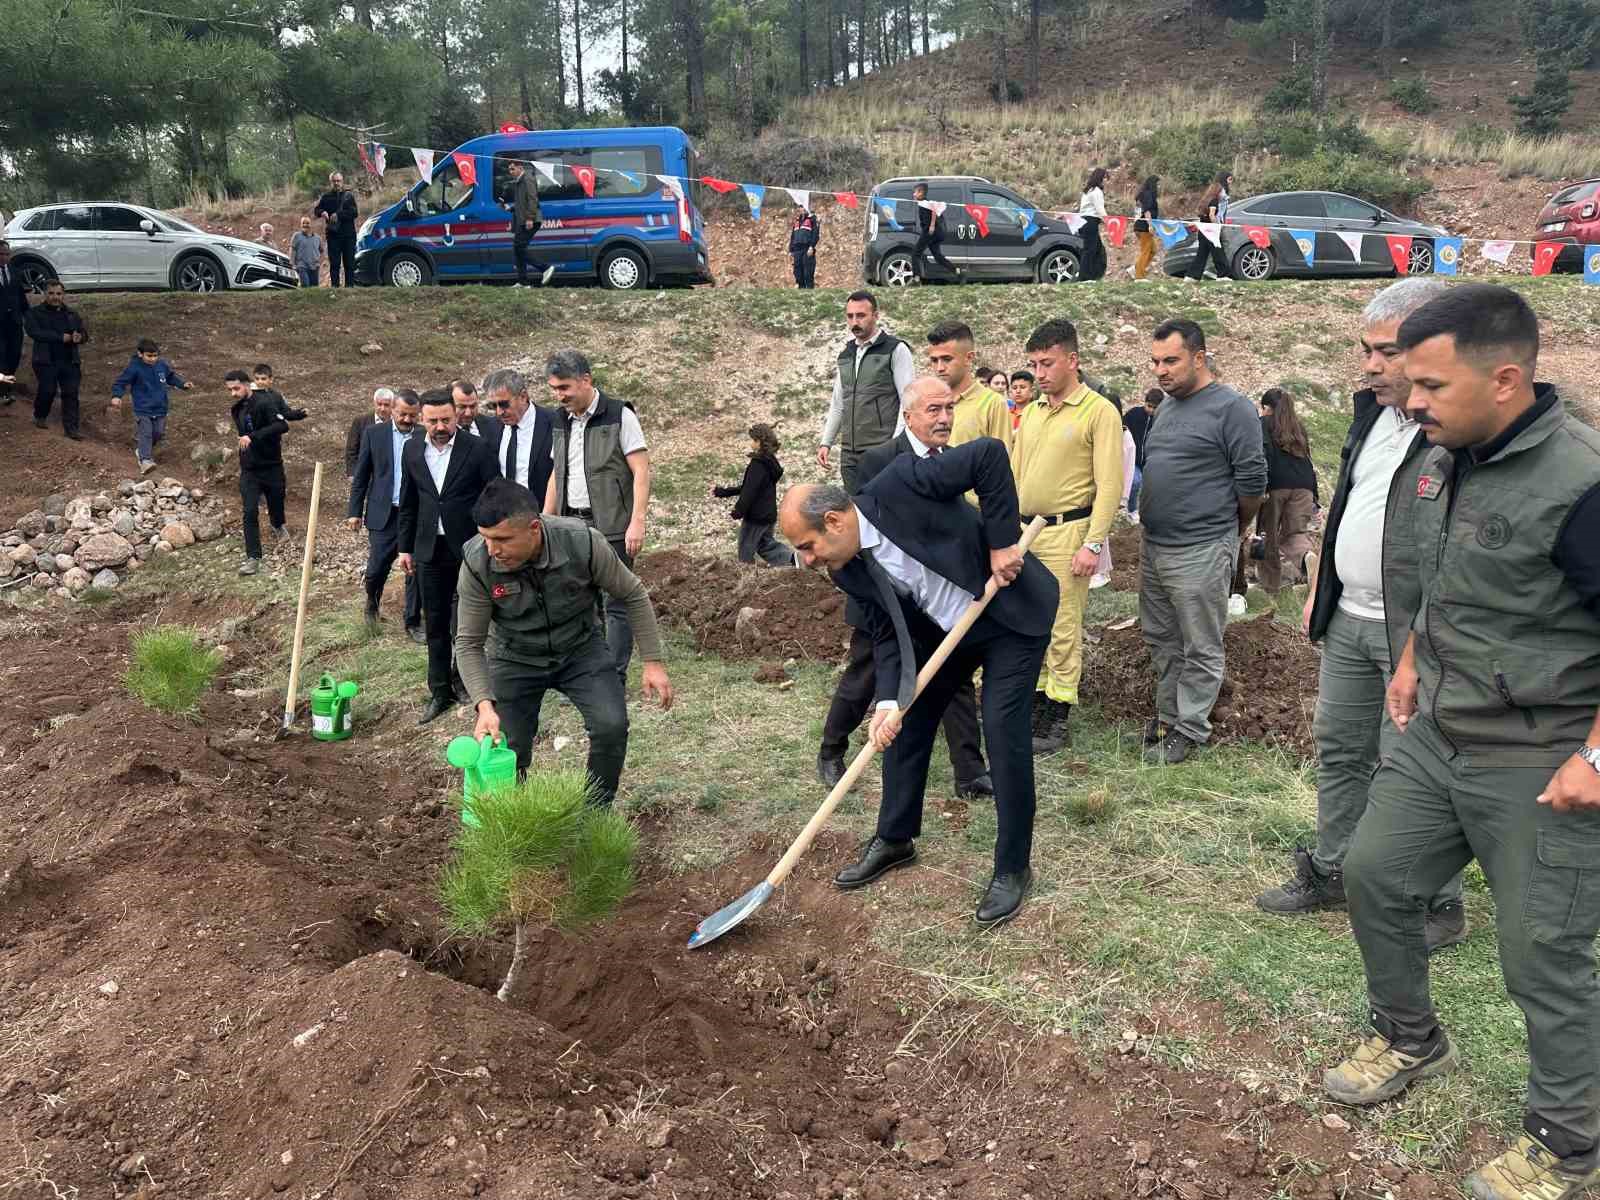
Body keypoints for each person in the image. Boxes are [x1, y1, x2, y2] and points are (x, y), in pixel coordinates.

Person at [1323, 284, 1600, 1200]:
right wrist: (1407, 660)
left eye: (1432, 386)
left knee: (1542, 956)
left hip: (1540, 752)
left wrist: (1594, 758)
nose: (1411, 401)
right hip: (1439, 728)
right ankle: (1409, 1036)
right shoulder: (1446, 457)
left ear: (1507, 379)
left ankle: (1566, 1144)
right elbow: (1444, 579)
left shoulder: (1580, 484)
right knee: (1373, 873)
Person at [1255, 278, 1466, 949]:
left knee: (1412, 768)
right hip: (1349, 618)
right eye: (1365, 349)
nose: (1369, 365)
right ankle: (1335, 870)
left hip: (1417, 633)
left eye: (1386, 352)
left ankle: (1434, 902)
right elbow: (1347, 500)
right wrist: (1324, 578)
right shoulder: (1372, 415)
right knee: (1342, 750)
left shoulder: (1460, 433)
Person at [778, 440, 1057, 927]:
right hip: (947, 632)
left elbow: (988, 456)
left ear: (836, 522)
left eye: (807, 546)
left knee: (1001, 729)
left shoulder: (902, 484)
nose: (807, 560)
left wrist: (1000, 543)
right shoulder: (848, 569)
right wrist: (889, 701)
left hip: (1009, 614)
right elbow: (888, 632)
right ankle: (895, 838)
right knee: (907, 722)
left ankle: (1013, 867)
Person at [457, 479, 675, 805]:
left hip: (580, 649)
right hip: (514, 656)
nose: (493, 549)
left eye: (502, 539)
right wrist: (484, 705)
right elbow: (469, 642)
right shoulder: (478, 562)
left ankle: (596, 811)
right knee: (508, 746)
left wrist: (653, 662)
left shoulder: (581, 543)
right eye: (486, 538)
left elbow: (632, 593)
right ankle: (515, 817)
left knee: (611, 726)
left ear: (534, 528)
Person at [832, 379, 994, 799]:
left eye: (949, 410)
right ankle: (832, 747)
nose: (944, 419)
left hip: (938, 599)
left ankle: (969, 773)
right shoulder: (880, 460)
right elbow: (862, 533)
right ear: (909, 416)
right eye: (933, 411)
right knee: (866, 676)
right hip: (887, 598)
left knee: (953, 677)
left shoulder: (953, 461)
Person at [1138, 319, 1266, 763]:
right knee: (1161, 636)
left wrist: (1232, 529)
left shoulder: (1232, 408)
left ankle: (1191, 728)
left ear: (1199, 356)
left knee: (1200, 641)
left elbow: (1252, 481)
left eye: (1170, 360)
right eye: (1155, 361)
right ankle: (1169, 715)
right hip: (1156, 545)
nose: (1160, 370)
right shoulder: (1169, 408)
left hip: (1202, 546)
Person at [1012, 319, 1124, 753]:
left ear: (1072, 360)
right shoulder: (1034, 412)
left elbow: (1110, 484)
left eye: (1047, 363)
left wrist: (1093, 543)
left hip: (1067, 533)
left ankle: (1058, 714)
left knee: (1062, 625)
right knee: (1029, 622)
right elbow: (1017, 470)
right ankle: (1037, 700)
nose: (1039, 374)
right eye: (1034, 365)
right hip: (1027, 532)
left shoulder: (1098, 411)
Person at [543, 349, 651, 686]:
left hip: (612, 525)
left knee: (616, 601)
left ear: (586, 381)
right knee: (576, 602)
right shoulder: (559, 419)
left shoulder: (620, 415)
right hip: (570, 525)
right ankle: (585, 674)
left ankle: (613, 677)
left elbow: (641, 470)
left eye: (564, 387)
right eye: (555, 389)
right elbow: (555, 472)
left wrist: (637, 520)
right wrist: (546, 518)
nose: (559, 395)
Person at [398, 389, 502, 724]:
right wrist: (405, 547)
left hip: (469, 547)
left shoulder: (479, 449)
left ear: (456, 415)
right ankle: (439, 689)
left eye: (446, 419)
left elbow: (494, 495)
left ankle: (465, 681)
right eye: (433, 421)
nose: (440, 426)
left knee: (468, 623)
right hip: (430, 549)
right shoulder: (413, 449)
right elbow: (409, 501)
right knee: (436, 623)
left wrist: (493, 540)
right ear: (421, 420)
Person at [817, 291, 914, 492]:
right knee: (856, 514)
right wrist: (826, 442)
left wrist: (895, 445)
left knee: (884, 511)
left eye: (861, 315)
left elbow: (908, 401)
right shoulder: (846, 354)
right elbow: (838, 403)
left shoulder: (895, 350)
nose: (855, 322)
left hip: (881, 450)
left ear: (875, 315)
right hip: (849, 454)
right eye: (850, 316)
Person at [346, 389, 425, 636]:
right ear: (392, 410)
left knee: (415, 567)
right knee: (377, 566)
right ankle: (372, 603)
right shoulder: (374, 434)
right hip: (384, 512)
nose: (406, 420)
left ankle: (412, 621)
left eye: (412, 415)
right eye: (402, 414)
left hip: (415, 514)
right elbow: (361, 476)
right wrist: (355, 511)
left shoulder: (425, 435)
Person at [228, 369, 297, 576]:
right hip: (249, 469)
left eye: (236, 388)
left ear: (248, 385)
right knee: (249, 511)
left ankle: (277, 524)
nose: (233, 393)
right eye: (230, 389)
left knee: (276, 501)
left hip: (272, 465)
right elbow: (242, 435)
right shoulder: (236, 409)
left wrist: (254, 436)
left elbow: (282, 425)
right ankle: (253, 557)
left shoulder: (265, 403)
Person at [1254, 388, 1319, 593]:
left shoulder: (1263, 423)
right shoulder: (1298, 427)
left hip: (1276, 486)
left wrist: (1261, 487)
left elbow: (1261, 455)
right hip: (1304, 487)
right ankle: (1307, 556)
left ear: (1266, 407)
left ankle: (1270, 587)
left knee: (1268, 536)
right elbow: (1308, 460)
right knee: (1295, 534)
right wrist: (1314, 495)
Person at [924, 321, 1012, 461]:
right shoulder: (927, 401)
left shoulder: (993, 404)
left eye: (947, 359)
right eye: (934, 360)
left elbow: (1001, 464)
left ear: (969, 358)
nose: (939, 368)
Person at [711, 423, 794, 566]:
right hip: (768, 514)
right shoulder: (770, 462)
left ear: (760, 442)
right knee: (765, 545)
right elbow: (749, 486)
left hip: (756, 517)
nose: (751, 443)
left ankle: (745, 575)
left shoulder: (758, 465)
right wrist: (724, 492)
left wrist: (739, 510)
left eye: (753, 440)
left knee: (745, 549)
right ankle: (792, 560)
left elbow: (749, 491)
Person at [110, 337, 193, 474]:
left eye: (155, 356)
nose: (152, 359)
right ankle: (145, 460)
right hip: (142, 408)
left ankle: (142, 450)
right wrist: (116, 396)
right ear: (140, 354)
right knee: (146, 433)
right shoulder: (134, 368)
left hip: (160, 407)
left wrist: (182, 384)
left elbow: (170, 377)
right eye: (149, 356)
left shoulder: (162, 365)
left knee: (158, 433)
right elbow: (120, 382)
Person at [26, 279, 88, 440]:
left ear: (63, 295)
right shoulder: (34, 313)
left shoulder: (72, 314)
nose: (55, 297)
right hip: (46, 361)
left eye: (59, 294)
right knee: (48, 390)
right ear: (45, 294)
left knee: (71, 394)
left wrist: (79, 337)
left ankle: (71, 429)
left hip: (70, 361)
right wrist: (61, 337)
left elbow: (84, 334)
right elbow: (34, 332)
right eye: (51, 293)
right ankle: (40, 415)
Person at [484, 367, 555, 503]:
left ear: (523, 396)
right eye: (493, 406)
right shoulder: (491, 428)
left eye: (504, 404)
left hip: (543, 514)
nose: (499, 412)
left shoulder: (553, 423)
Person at [506, 159, 556, 287]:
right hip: (522, 220)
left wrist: (530, 218)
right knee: (518, 249)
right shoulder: (518, 181)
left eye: (512, 169)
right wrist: (510, 208)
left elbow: (532, 199)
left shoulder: (527, 179)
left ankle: (545, 268)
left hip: (530, 220)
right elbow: (521, 203)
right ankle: (523, 282)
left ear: (520, 168)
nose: (510, 172)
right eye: (509, 169)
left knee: (519, 247)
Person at [1186, 170, 1233, 282]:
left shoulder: (1208, 199)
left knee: (1202, 253)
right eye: (1230, 179)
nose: (1230, 183)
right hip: (1211, 229)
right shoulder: (1215, 200)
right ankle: (1223, 275)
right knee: (1218, 252)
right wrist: (1217, 226)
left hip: (1203, 228)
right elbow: (1212, 215)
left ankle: (1192, 276)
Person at [313, 171, 359, 288]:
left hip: (348, 235)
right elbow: (316, 210)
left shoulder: (349, 196)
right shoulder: (326, 197)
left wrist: (339, 215)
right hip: (333, 235)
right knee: (334, 263)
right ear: (331, 182)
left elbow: (354, 213)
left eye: (338, 181)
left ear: (342, 181)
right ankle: (335, 288)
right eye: (334, 181)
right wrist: (322, 212)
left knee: (349, 263)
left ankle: (350, 287)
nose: (336, 183)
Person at [1122, 388, 1161, 522]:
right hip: (1134, 460)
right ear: (1145, 403)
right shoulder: (1134, 414)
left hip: (1152, 461)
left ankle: (1151, 510)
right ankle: (1131, 509)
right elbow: (1122, 430)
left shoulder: (1162, 420)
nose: (1151, 410)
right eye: (1149, 406)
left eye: (1155, 408)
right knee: (1136, 481)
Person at [910, 183, 962, 281]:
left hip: (930, 232)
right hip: (936, 233)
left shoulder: (926, 203)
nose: (913, 194)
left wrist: (932, 225)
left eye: (915, 192)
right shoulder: (922, 203)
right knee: (937, 256)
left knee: (915, 254)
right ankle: (957, 271)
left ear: (921, 193)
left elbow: (934, 210)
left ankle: (916, 278)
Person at [0, 239, 27, 407]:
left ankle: (6, 384)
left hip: (14, 322)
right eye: (1, 254)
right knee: (1, 356)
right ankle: (4, 392)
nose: (3, 257)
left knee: (14, 354)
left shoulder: (14, 272)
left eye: (6, 254)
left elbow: (21, 297)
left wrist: (28, 315)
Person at [346, 387, 395, 477]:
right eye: (379, 404)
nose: (382, 408)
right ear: (374, 403)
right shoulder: (360, 421)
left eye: (386, 405)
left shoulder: (397, 423)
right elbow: (352, 450)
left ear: (392, 405)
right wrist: (352, 474)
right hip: (365, 475)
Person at [1078, 167, 1109, 282]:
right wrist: (1108, 222)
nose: (1106, 181)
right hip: (1090, 222)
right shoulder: (1096, 191)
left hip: (1085, 221)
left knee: (1096, 249)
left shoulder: (1088, 191)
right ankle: (1084, 277)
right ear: (1100, 178)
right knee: (1090, 250)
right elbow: (1100, 209)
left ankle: (1093, 275)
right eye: (1105, 178)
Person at [1133, 176, 1160, 281]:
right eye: (1157, 184)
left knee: (1153, 250)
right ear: (1152, 184)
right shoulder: (1148, 194)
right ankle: (1139, 276)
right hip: (1144, 227)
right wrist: (1150, 225)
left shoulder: (1143, 194)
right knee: (1146, 251)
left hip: (1139, 226)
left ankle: (1135, 269)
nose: (1159, 186)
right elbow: (1147, 211)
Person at [788, 205, 820, 289]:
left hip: (807, 249)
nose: (801, 209)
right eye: (800, 207)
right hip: (797, 250)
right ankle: (801, 292)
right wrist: (791, 250)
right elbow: (793, 236)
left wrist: (811, 247)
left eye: (803, 207)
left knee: (808, 272)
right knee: (797, 272)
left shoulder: (812, 219)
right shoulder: (797, 221)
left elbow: (815, 234)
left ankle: (810, 292)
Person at [290, 216, 322, 288]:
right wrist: (292, 263)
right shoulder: (296, 235)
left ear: (311, 224)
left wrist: (319, 261)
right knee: (305, 286)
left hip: (314, 266)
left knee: (314, 288)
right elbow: (292, 249)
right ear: (300, 225)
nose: (305, 225)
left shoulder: (317, 237)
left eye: (307, 223)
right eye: (303, 223)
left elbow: (321, 251)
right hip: (302, 265)